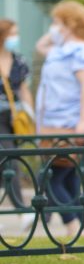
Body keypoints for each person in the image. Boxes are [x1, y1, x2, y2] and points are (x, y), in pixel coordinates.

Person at [35, 0, 84, 234]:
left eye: (57, 22)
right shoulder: (59, 51)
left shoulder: (83, 52)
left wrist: (83, 123)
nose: (52, 26)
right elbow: (40, 46)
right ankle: (81, 227)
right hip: (56, 125)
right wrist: (56, 33)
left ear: (70, 24)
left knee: (50, 178)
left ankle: (73, 224)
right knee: (67, 178)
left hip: (76, 125)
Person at [0, 19, 33, 215]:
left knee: (9, 162)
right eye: (13, 33)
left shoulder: (18, 60)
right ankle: (21, 209)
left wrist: (30, 112)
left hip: (14, 118)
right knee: (10, 160)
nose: (15, 37)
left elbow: (23, 89)